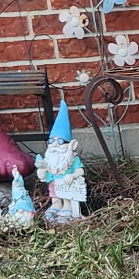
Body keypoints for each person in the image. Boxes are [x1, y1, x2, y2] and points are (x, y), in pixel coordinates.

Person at [35, 96, 87, 226]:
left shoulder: (72, 158)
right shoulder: (50, 158)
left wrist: (73, 175)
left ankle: (67, 207)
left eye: (60, 142)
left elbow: (80, 170)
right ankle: (56, 204)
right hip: (54, 185)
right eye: (52, 141)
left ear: (72, 145)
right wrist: (42, 174)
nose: (55, 145)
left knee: (66, 194)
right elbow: (45, 173)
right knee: (54, 194)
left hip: (67, 185)